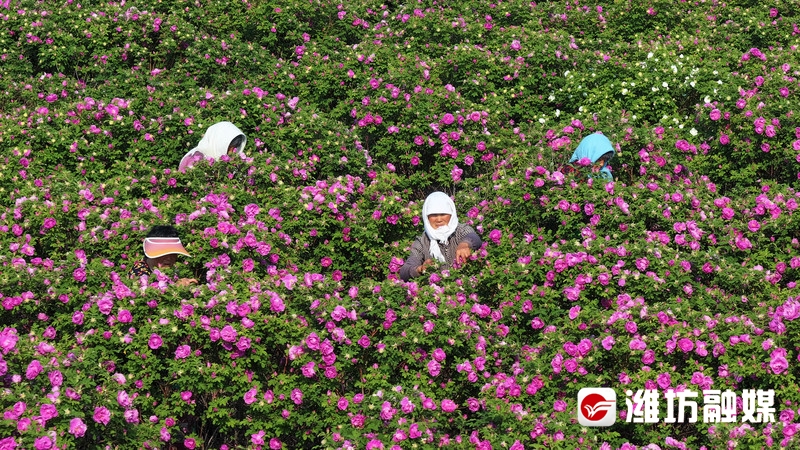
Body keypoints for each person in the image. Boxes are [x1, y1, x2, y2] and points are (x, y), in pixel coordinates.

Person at [399, 192, 482, 281]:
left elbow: (474, 237)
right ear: (427, 217)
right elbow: (405, 271)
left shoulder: (460, 230)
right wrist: (419, 269)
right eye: (434, 215)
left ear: (451, 214)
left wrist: (465, 244)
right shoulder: (422, 241)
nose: (439, 219)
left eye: (443, 214)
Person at [130, 225, 197, 287]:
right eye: (163, 253)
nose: (169, 258)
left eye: (173, 253)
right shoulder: (139, 272)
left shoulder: (171, 270)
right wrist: (176, 286)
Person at [178, 121, 247, 172]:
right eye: (229, 147)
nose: (231, 152)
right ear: (220, 142)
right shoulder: (196, 159)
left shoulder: (222, 158)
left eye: (235, 147)